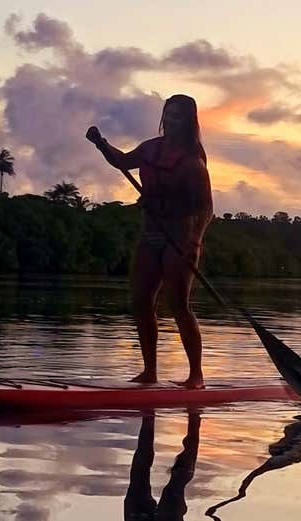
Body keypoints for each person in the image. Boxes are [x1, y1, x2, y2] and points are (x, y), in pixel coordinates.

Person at [86, 94, 213, 389]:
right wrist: (100, 143)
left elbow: (206, 209)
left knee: (179, 304)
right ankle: (150, 372)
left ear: (189, 122)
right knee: (141, 301)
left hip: (179, 238)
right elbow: (122, 161)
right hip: (151, 233)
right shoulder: (150, 148)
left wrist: (193, 243)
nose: (171, 121)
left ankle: (196, 375)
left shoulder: (193, 162)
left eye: (178, 116)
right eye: (168, 114)